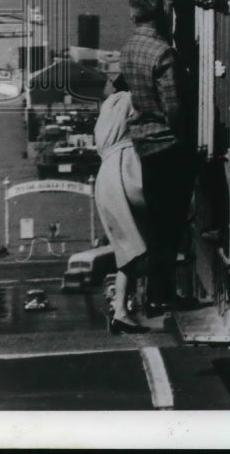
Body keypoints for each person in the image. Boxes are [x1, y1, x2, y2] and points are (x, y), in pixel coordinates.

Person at [119, 0, 194, 313]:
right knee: (172, 223)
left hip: (144, 146)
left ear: (133, 14)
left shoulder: (129, 48)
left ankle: (152, 292)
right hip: (169, 144)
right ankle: (161, 294)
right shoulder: (163, 52)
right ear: (161, 14)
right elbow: (174, 106)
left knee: (156, 222)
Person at [93, 75, 149, 334]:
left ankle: (121, 311)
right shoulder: (131, 100)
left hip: (105, 176)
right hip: (125, 170)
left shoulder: (107, 106)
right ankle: (159, 293)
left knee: (126, 250)